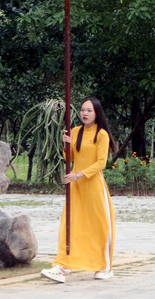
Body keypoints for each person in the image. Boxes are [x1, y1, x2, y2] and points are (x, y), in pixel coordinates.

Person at [41, 97, 117, 284]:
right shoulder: (75, 131)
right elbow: (71, 157)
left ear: (97, 113)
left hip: (93, 185)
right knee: (70, 223)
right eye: (83, 110)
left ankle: (104, 266)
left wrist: (80, 174)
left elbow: (101, 163)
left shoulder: (101, 135)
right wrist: (66, 144)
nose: (85, 113)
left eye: (89, 110)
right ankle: (62, 266)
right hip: (76, 185)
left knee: (99, 225)